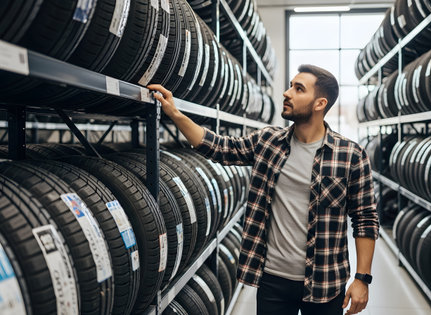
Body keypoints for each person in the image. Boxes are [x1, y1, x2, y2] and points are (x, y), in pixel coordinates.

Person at [148, 64, 379, 315]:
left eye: (298, 89)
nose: (286, 93)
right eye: (290, 85)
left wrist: (362, 278)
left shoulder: (351, 155)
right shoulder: (268, 141)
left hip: (325, 280)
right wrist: (174, 112)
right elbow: (218, 147)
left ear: (319, 103)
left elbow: (365, 218)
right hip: (273, 279)